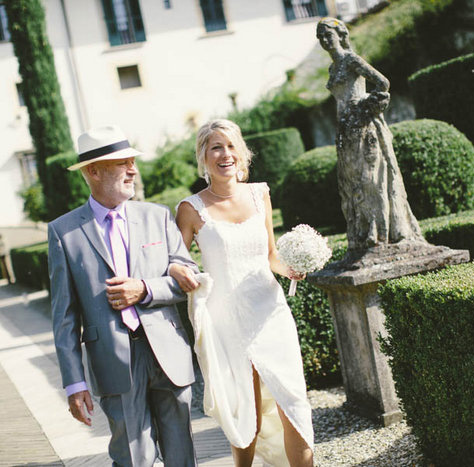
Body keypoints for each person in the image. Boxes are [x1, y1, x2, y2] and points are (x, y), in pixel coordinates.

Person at [48, 125, 199, 467]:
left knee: (182, 458)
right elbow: (64, 316)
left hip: (168, 353)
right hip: (112, 363)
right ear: (94, 171)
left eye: (133, 161)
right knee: (134, 460)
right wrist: (74, 383)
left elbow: (189, 277)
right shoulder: (64, 233)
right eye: (122, 163)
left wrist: (144, 289)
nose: (133, 170)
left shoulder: (158, 216)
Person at [170, 119, 315, 467]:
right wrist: (180, 271)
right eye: (216, 147)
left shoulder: (259, 193)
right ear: (204, 158)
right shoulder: (190, 209)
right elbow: (174, 262)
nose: (225, 154)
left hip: (270, 312)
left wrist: (290, 268)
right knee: (245, 409)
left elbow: (270, 256)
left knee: (292, 400)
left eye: (231, 145)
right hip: (226, 320)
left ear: (243, 153)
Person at [317, 17, 423, 252]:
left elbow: (382, 83)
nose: (325, 40)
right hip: (344, 130)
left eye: (328, 35)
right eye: (321, 37)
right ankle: (362, 234)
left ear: (340, 35)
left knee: (371, 179)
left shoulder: (351, 60)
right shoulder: (333, 68)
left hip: (363, 127)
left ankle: (380, 233)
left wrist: (365, 107)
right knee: (351, 183)